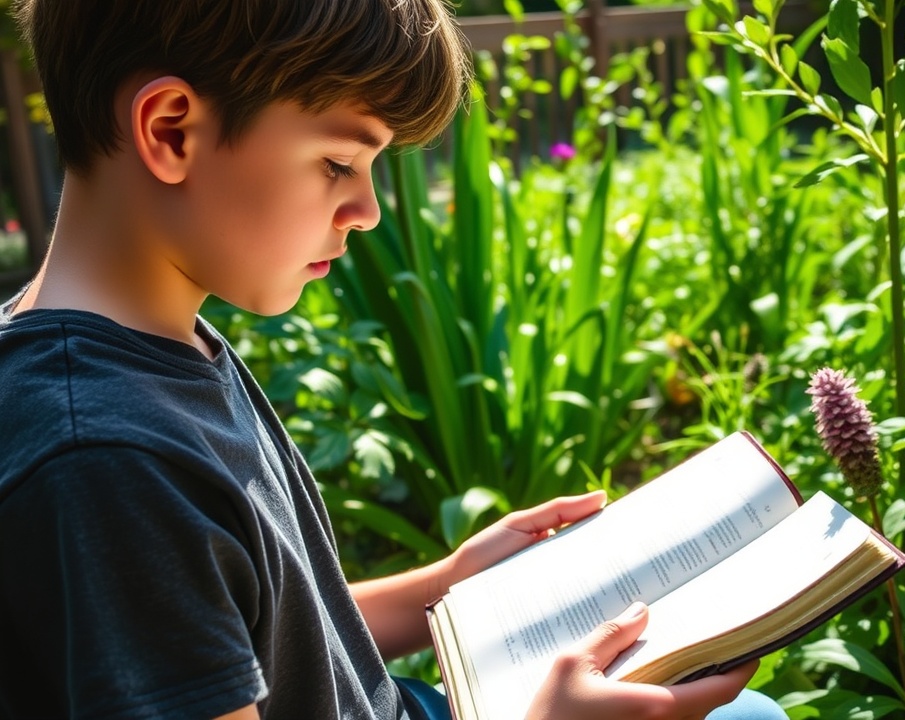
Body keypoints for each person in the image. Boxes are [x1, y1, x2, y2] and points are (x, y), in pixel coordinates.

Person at [0, 1, 789, 719]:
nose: (368, 211)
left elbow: (276, 640)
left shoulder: (156, 348)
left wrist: (444, 590)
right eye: (338, 163)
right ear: (171, 130)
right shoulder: (105, 463)